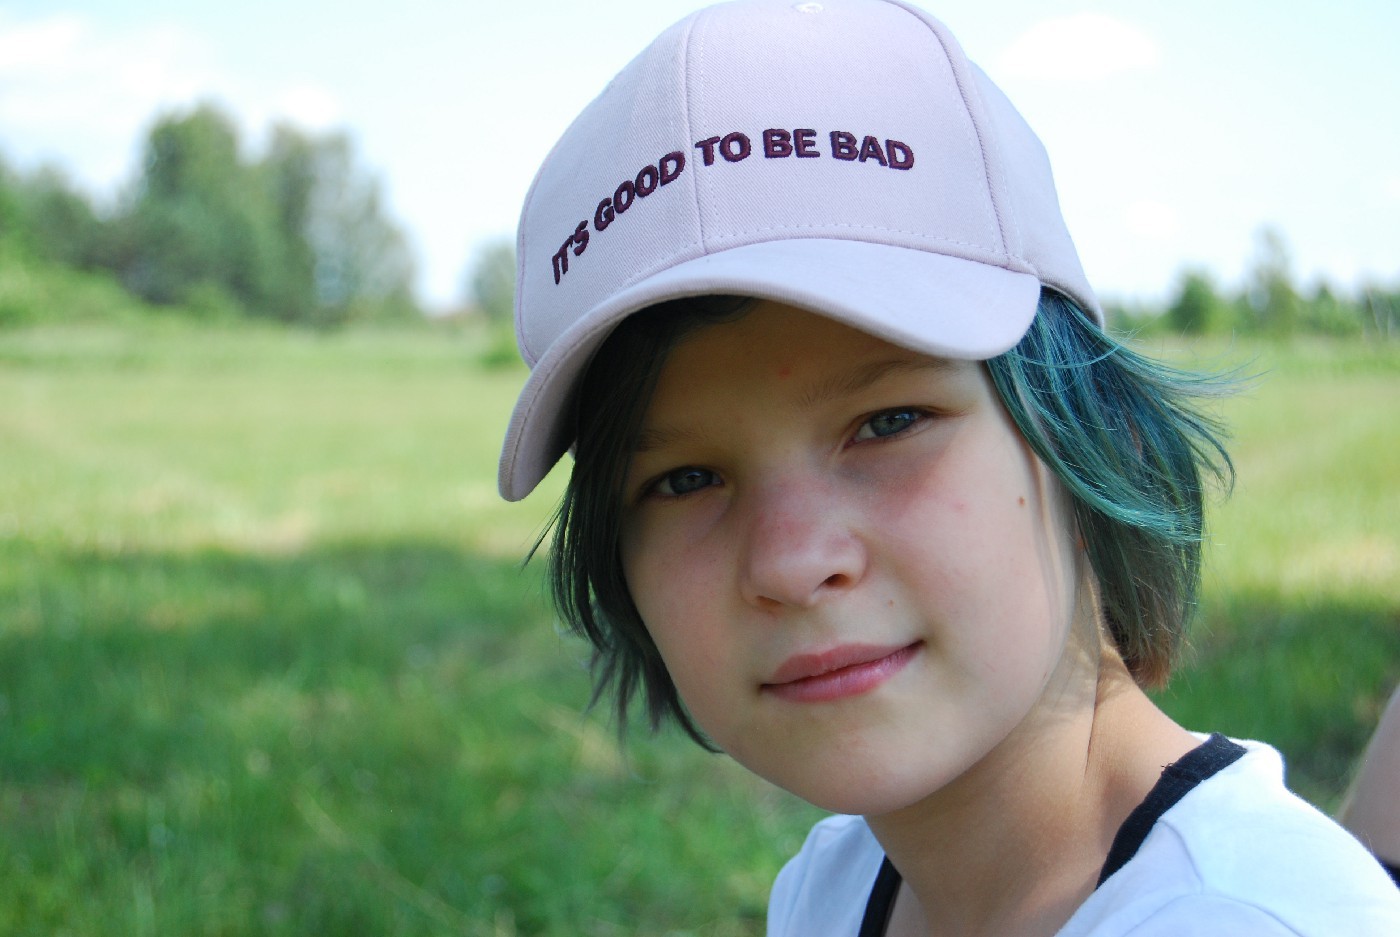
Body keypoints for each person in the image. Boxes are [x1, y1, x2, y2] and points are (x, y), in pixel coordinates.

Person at [496, 0, 1400, 933]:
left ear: (1094, 438)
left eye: (888, 422)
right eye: (685, 479)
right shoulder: (832, 883)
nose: (790, 561)